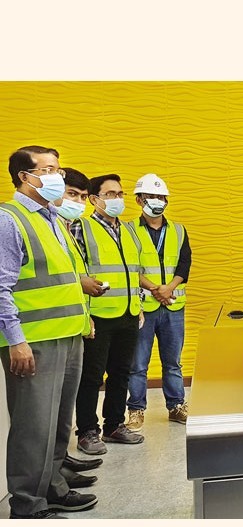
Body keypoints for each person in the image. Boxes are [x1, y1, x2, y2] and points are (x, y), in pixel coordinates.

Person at [0, 146, 97, 517]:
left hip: (68, 333)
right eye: (49, 170)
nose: (58, 177)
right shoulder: (9, 219)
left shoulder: (52, 218)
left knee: (58, 420)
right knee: (32, 426)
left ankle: (54, 486)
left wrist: (83, 316)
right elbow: (2, 286)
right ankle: (27, 503)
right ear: (25, 177)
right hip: (33, 341)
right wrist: (16, 341)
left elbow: (68, 278)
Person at [71, 173, 144, 454]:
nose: (117, 199)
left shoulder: (129, 230)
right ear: (94, 199)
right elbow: (75, 272)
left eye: (120, 194)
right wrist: (83, 313)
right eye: (111, 194)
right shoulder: (81, 227)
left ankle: (115, 425)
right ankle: (87, 431)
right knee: (92, 376)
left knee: (120, 373)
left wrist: (137, 305)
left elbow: (134, 272)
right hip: (97, 315)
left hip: (127, 312)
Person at [124, 173, 192, 433]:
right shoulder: (128, 230)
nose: (157, 201)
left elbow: (185, 263)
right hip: (144, 307)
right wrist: (154, 288)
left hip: (173, 305)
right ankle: (136, 410)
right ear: (139, 200)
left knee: (173, 361)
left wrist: (169, 288)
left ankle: (176, 406)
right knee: (138, 363)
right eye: (151, 197)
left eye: (162, 197)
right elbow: (128, 267)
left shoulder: (178, 229)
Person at [53, 167, 105, 487]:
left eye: (84, 197)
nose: (79, 202)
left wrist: (86, 318)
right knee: (47, 412)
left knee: (61, 406)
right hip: (44, 332)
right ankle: (49, 477)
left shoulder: (66, 228)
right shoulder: (28, 224)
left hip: (73, 325)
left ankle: (59, 462)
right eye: (73, 194)